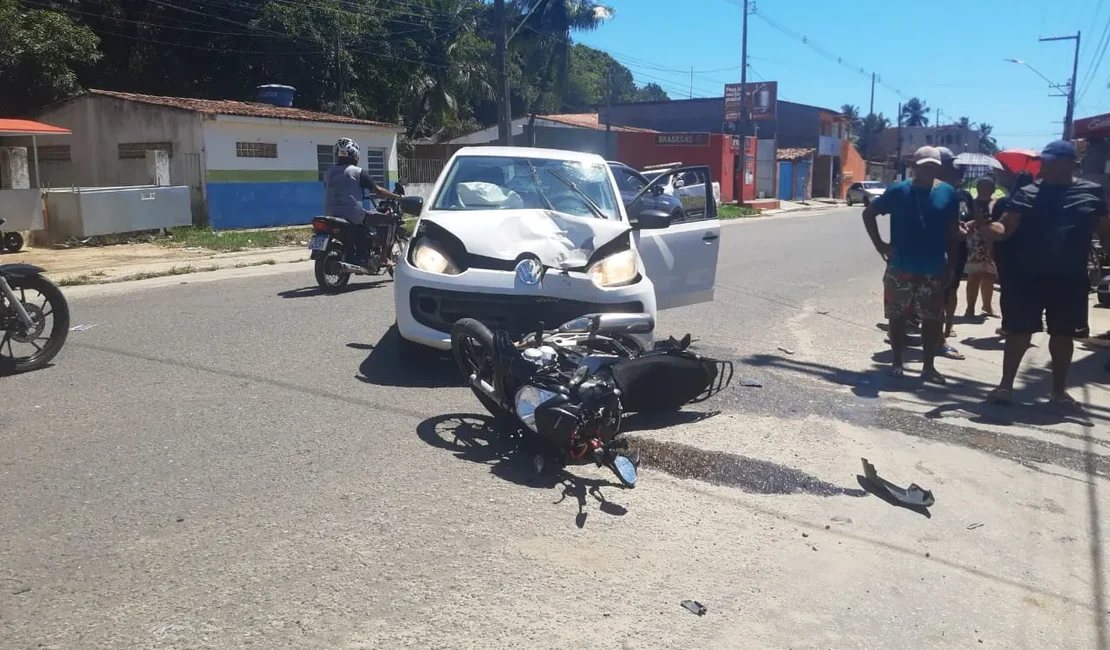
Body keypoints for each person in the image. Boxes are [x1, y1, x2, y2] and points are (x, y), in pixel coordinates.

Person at [977, 140, 1110, 406]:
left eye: (1051, 161)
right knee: (1018, 331)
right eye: (1044, 160)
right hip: (1027, 275)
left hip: (1070, 277)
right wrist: (986, 228)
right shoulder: (1027, 192)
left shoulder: (1092, 192)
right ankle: (1005, 386)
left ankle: (1058, 392)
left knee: (1063, 335)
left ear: (1070, 163)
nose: (1044, 165)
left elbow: (1105, 231)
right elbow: (1006, 227)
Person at [863, 146, 964, 383]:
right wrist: (880, 245)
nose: (929, 169)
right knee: (897, 317)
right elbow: (869, 213)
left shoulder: (948, 193)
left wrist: (952, 266)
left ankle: (928, 366)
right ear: (913, 166)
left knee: (932, 319)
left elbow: (951, 232)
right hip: (901, 267)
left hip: (935, 268)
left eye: (933, 165)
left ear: (939, 168)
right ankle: (897, 362)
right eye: (924, 165)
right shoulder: (898, 190)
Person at [323, 137, 401, 269]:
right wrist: (398, 196)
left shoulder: (328, 172)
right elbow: (378, 191)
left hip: (330, 213)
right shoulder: (358, 172)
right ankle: (383, 258)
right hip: (353, 214)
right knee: (388, 221)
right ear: (355, 154)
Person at [935, 147, 974, 360]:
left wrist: (962, 228)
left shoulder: (957, 194)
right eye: (951, 165)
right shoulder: (929, 191)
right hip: (932, 251)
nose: (955, 170)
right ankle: (935, 340)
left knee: (948, 290)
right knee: (932, 295)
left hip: (954, 250)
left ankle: (942, 334)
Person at [990, 170, 1035, 338]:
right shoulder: (1036, 203)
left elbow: (995, 226)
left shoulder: (1003, 203)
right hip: (1028, 253)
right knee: (1026, 290)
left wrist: (991, 249)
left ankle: (1007, 324)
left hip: (1005, 251)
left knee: (1007, 290)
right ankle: (1026, 324)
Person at [964, 177, 999, 317]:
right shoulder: (971, 203)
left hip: (993, 241)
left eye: (988, 186)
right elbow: (965, 222)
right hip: (976, 242)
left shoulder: (996, 203)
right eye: (982, 186)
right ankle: (970, 308)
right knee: (974, 276)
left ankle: (987, 306)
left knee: (990, 276)